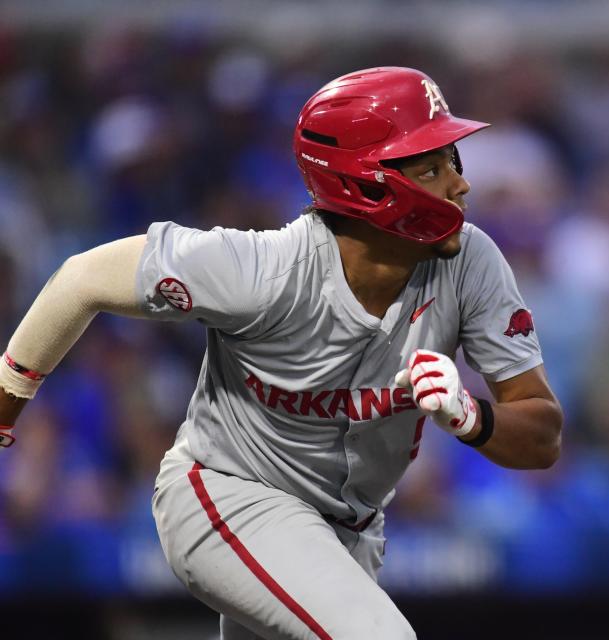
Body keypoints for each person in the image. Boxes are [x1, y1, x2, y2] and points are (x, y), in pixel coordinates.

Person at [0, 67, 563, 639]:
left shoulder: (472, 261)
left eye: (453, 162)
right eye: (430, 167)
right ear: (366, 184)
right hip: (229, 496)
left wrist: (473, 417)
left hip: (350, 534)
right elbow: (81, 279)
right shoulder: (264, 269)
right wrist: (4, 408)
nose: (459, 184)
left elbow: (543, 437)